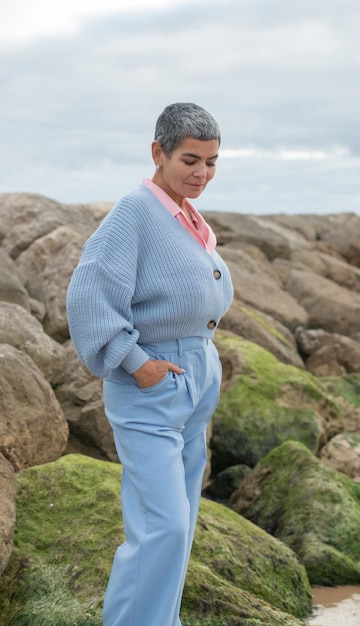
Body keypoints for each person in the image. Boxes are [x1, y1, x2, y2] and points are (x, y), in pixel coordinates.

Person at [66, 102, 234, 626]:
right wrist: (135, 362)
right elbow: (87, 295)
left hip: (193, 383)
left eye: (211, 162)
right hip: (151, 385)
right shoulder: (135, 212)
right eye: (190, 159)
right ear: (158, 152)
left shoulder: (186, 214)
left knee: (180, 525)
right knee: (160, 524)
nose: (201, 173)